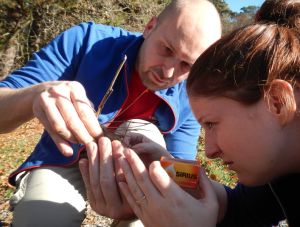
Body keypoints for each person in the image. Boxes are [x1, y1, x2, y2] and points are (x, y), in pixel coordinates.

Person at [0, 0, 221, 226]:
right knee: (41, 220)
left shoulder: (191, 92)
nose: (167, 72)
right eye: (166, 49)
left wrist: (174, 187)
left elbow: (182, 169)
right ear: (149, 27)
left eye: (187, 65)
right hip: (63, 158)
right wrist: (36, 93)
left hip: (137, 169)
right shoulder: (86, 42)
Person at [81, 0, 300, 226]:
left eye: (212, 124)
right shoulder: (278, 166)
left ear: (277, 102)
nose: (209, 152)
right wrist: (170, 167)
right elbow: (240, 208)